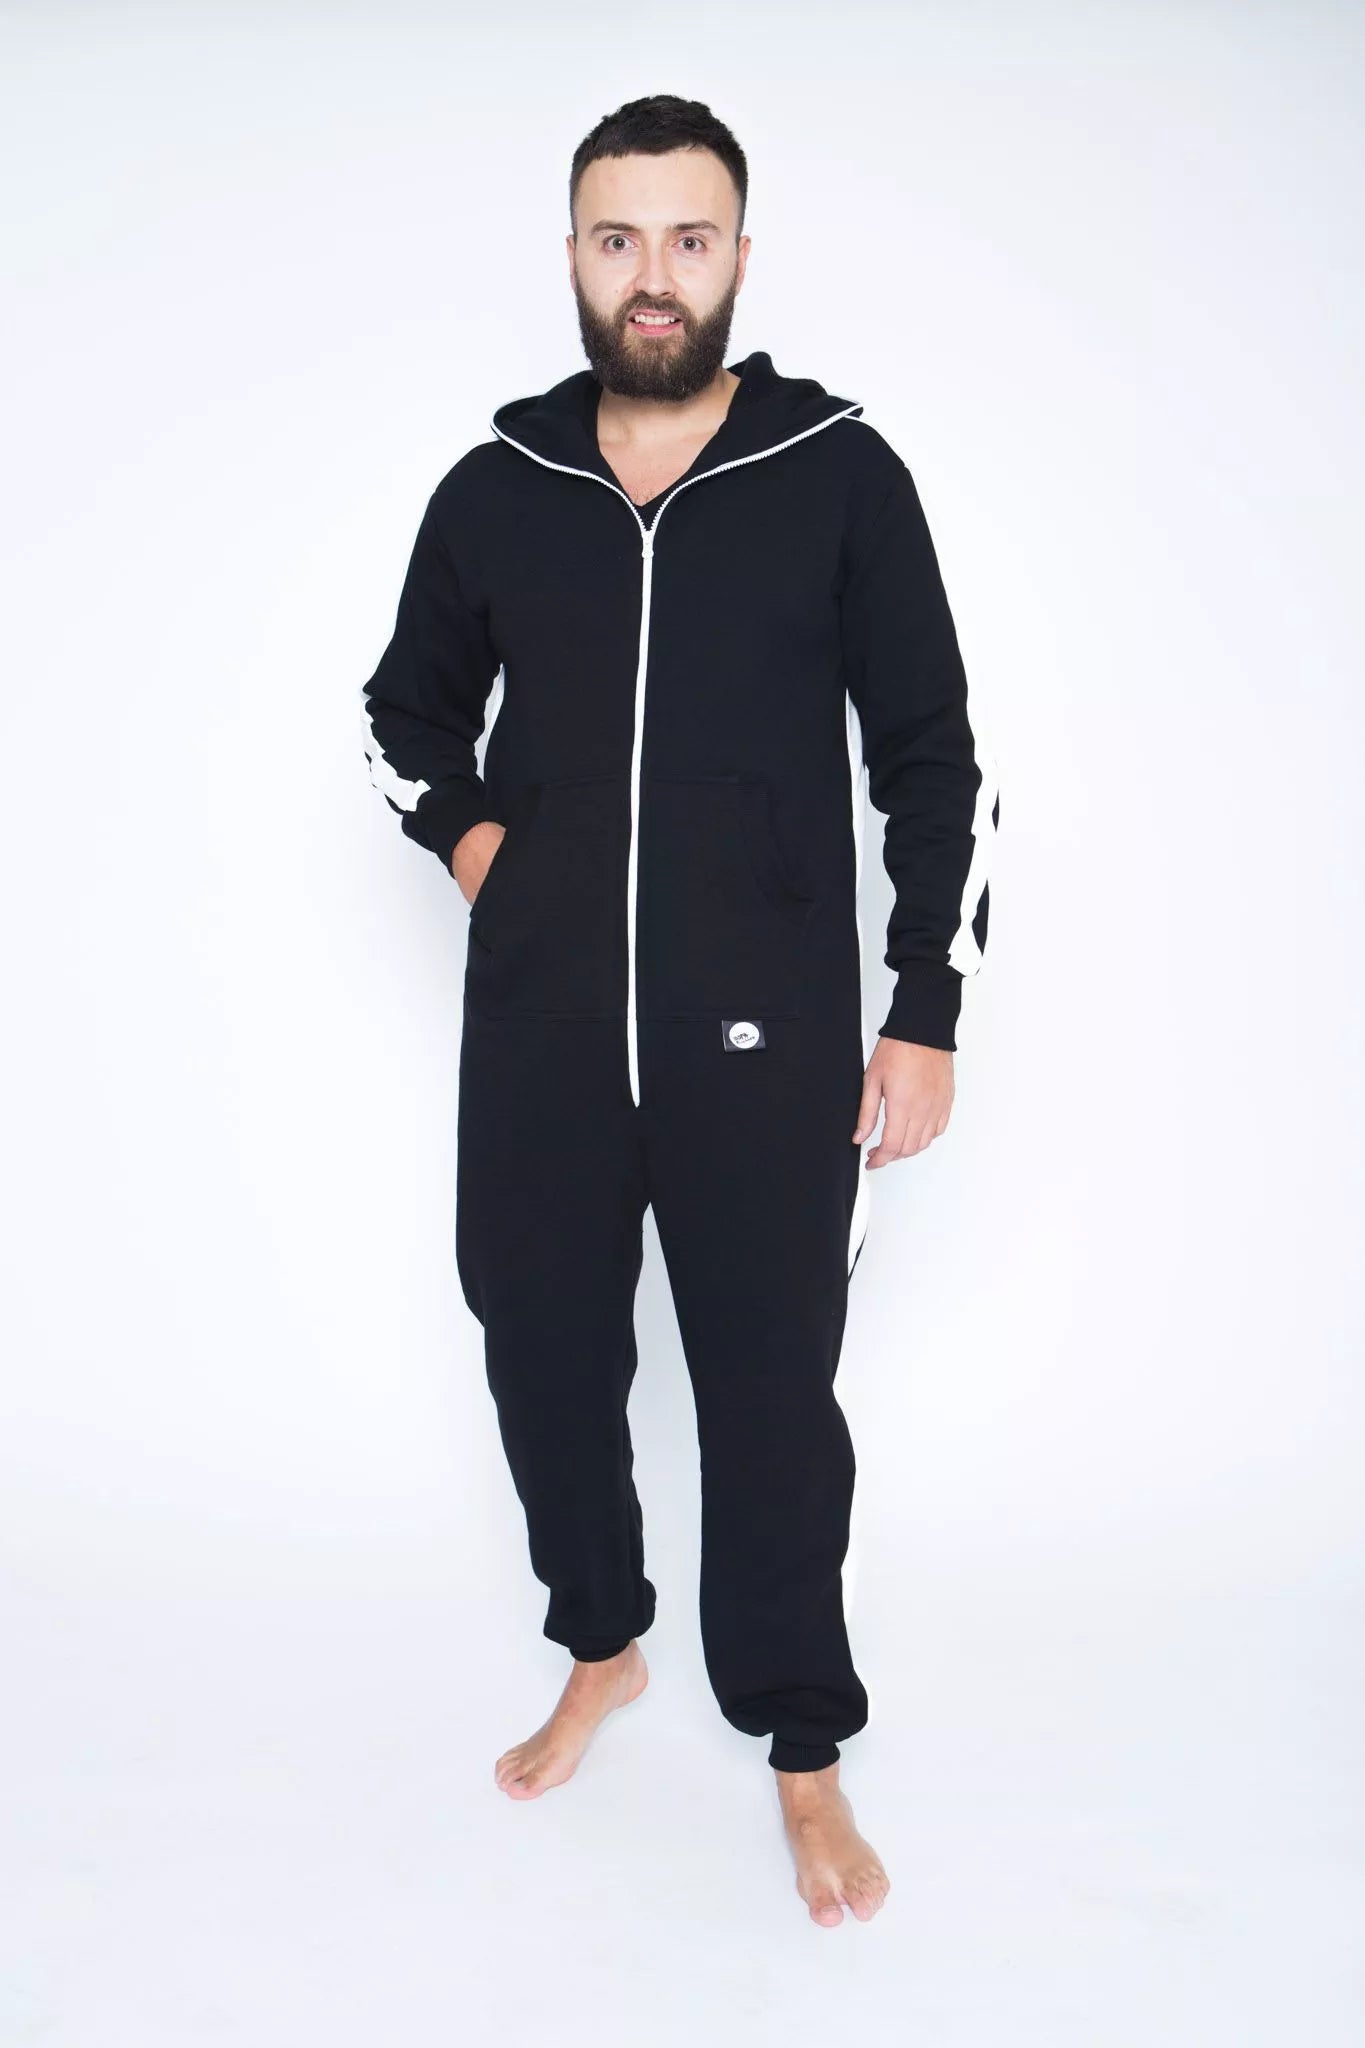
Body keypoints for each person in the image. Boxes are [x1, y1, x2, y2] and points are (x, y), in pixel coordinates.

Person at [360, 93, 998, 1929]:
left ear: (737, 256)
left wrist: (924, 1009)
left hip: (767, 1040)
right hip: (542, 1031)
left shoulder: (840, 476)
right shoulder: (495, 487)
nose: (654, 274)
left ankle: (802, 1749)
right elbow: (398, 717)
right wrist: (481, 844)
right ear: (574, 255)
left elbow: (935, 759)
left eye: (688, 238)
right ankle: (602, 1643)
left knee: (770, 1400)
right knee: (542, 1357)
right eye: (618, 237)